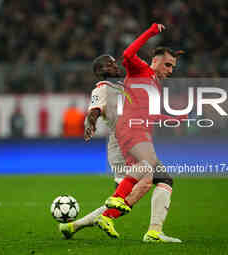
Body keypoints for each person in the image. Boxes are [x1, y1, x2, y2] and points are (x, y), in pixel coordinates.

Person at [59, 46, 184, 241]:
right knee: (131, 195)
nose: (115, 65)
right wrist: (90, 124)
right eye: (109, 64)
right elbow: (94, 110)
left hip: (135, 140)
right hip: (121, 145)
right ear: (100, 70)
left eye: (114, 62)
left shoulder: (123, 87)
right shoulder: (102, 88)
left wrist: (170, 118)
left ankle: (75, 225)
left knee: (150, 186)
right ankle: (152, 232)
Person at [94, 23, 185, 242]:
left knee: (160, 180)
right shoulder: (141, 69)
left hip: (139, 130)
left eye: (173, 67)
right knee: (147, 167)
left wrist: (174, 120)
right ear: (156, 61)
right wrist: (151, 32)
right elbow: (127, 53)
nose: (170, 71)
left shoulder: (154, 84)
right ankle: (117, 199)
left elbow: (151, 115)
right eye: (168, 65)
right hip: (132, 129)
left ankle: (149, 229)